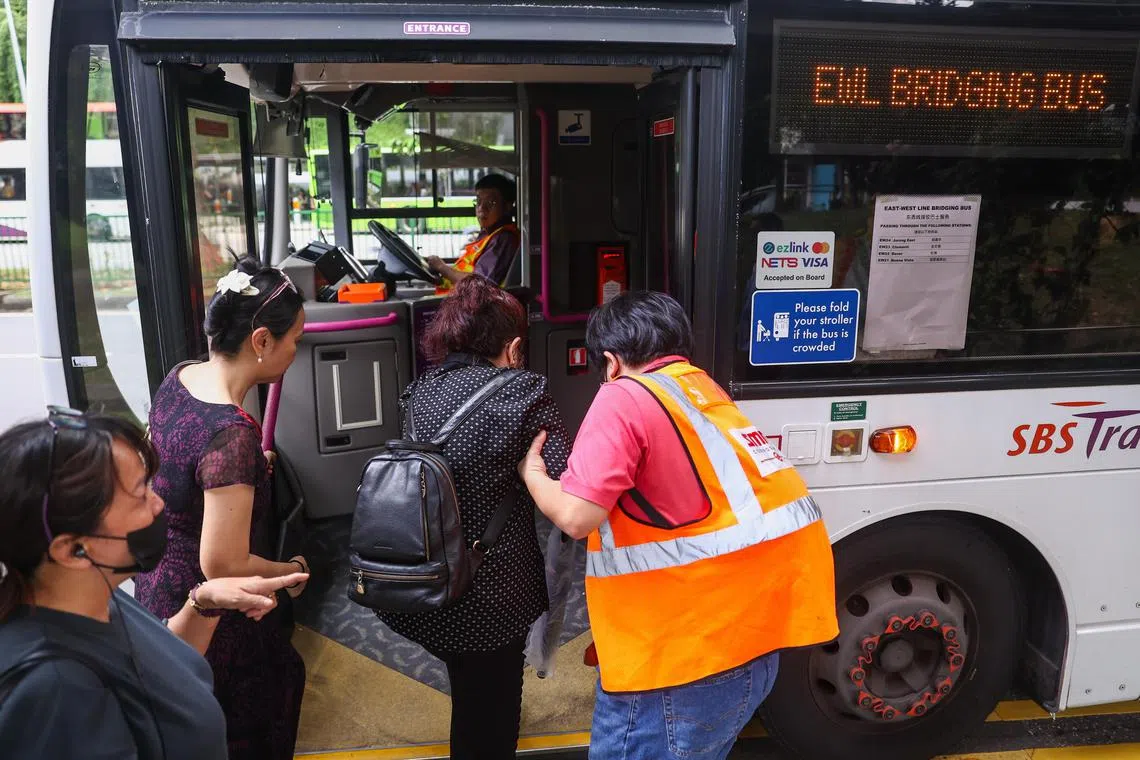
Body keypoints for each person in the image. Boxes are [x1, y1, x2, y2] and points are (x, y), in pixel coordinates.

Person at [519, 291, 839, 760]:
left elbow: (576, 513)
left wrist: (533, 474)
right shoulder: (703, 391)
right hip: (755, 641)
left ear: (610, 361)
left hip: (679, 659)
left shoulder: (624, 396)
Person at [0, 409, 308, 758]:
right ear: (73, 550)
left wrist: (204, 602)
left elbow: (158, 665)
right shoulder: (54, 690)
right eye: (140, 494)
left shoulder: (99, 596)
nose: (158, 502)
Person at [377, 274, 570, 759]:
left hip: (428, 584)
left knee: (470, 693)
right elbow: (567, 480)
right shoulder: (525, 393)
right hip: (493, 595)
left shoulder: (421, 391)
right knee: (490, 724)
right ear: (514, 346)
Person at [134, 257, 309, 760]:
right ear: (260, 342)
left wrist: (244, 472)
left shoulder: (180, 376)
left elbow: (167, 463)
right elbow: (223, 565)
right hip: (208, 615)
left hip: (159, 589)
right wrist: (293, 570)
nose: (296, 351)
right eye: (293, 338)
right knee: (269, 697)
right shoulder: (230, 434)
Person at [426, 173, 521, 294]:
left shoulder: (503, 239)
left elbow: (479, 284)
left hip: (468, 309)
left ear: (507, 207)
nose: (481, 208)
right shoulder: (488, 235)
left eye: (491, 203)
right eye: (478, 201)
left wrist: (442, 268)